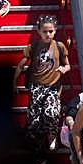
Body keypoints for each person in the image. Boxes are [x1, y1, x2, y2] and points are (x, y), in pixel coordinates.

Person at [13, 15, 71, 154]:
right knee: (35, 118)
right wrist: (14, 83)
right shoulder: (33, 47)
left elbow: (67, 64)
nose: (48, 34)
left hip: (53, 86)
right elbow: (21, 66)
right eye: (45, 31)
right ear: (39, 32)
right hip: (37, 86)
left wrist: (64, 69)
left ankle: (52, 136)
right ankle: (36, 143)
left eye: (51, 31)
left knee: (51, 112)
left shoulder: (59, 46)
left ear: (55, 31)